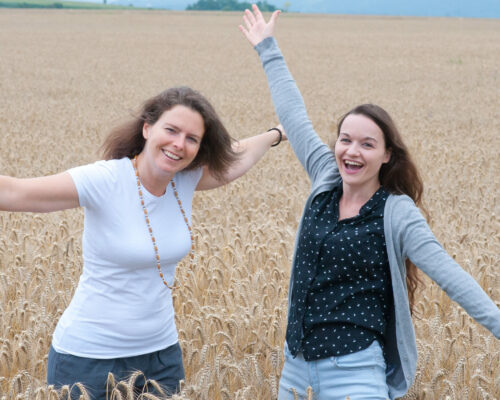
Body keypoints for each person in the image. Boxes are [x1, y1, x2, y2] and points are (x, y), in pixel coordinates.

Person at [239, 5, 500, 400]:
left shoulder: (396, 212)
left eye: (367, 143)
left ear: (387, 155)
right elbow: (293, 115)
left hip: (356, 372)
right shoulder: (326, 177)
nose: (352, 151)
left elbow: (449, 273)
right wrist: (267, 47)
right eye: (345, 139)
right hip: (295, 371)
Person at [0, 86, 284, 399]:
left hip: (162, 358)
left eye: (192, 138)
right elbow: (15, 192)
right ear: (147, 128)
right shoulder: (105, 180)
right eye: (172, 130)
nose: (179, 144)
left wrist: (277, 134)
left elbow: (237, 156)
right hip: (88, 361)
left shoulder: (185, 180)